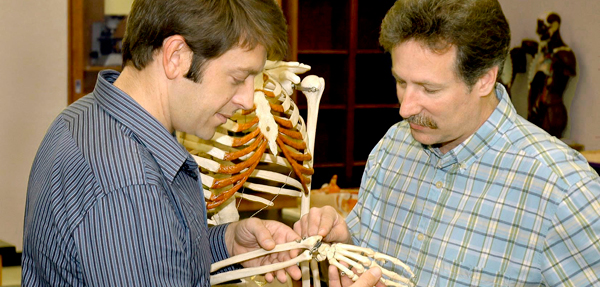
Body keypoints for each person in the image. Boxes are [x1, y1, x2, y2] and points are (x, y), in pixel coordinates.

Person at [21, 0, 382, 286]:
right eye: (238, 78)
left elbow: (154, 256)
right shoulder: (129, 187)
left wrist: (227, 243)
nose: (245, 99)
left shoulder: (84, 116)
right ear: (176, 57)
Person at [299, 0, 600, 286]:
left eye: (429, 89)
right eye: (401, 82)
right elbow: (367, 256)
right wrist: (345, 244)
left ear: (484, 79)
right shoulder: (393, 147)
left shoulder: (563, 190)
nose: (405, 108)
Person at [527, 12, 577, 138]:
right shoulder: (542, 54)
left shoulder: (563, 55)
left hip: (551, 111)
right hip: (537, 110)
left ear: (554, 26)